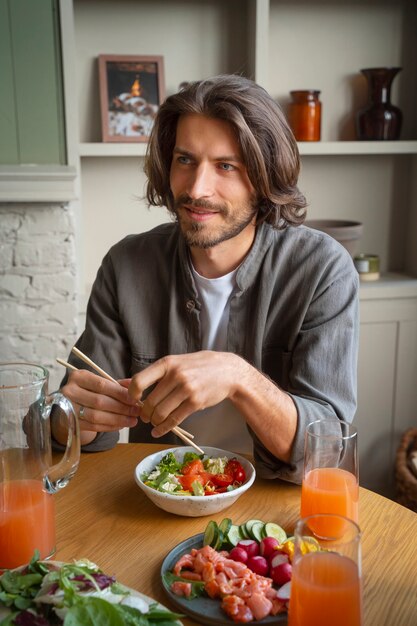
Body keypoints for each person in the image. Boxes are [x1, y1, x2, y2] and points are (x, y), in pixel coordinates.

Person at [54, 74, 359, 484]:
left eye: (226, 166)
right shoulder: (126, 264)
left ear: (265, 175)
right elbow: (75, 432)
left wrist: (237, 376)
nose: (197, 188)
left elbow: (327, 450)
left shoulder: (323, 269)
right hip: (163, 498)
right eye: (185, 160)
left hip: (277, 507)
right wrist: (67, 418)